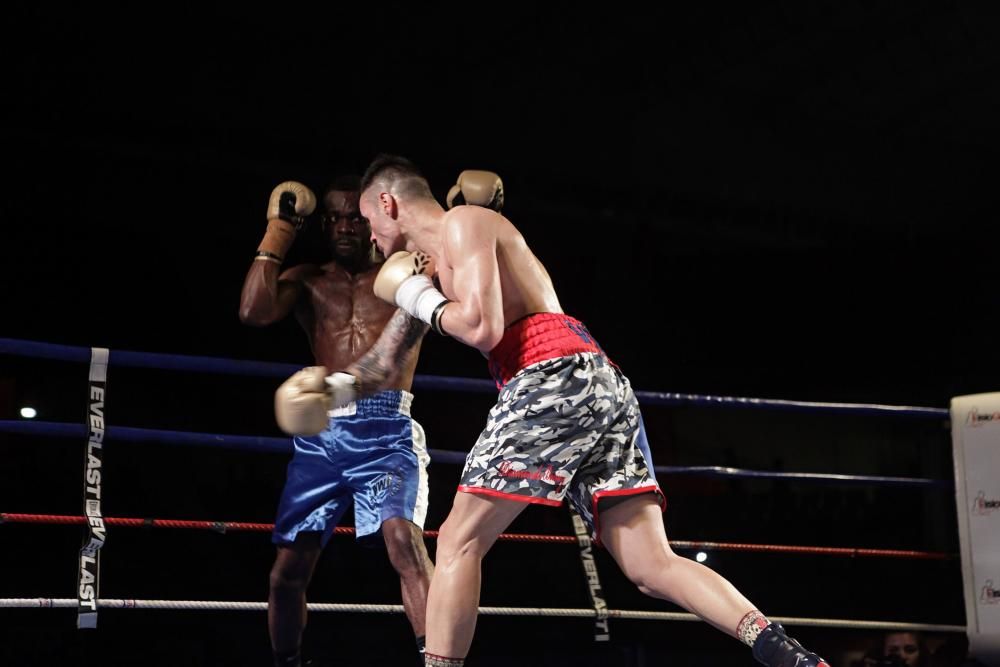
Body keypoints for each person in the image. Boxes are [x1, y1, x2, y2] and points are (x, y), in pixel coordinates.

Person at [337, 153, 829, 667]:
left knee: (459, 540)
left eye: (367, 219)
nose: (368, 237)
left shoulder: (466, 221)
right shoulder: (436, 267)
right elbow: (386, 360)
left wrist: (417, 295)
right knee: (650, 564)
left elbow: (482, 329)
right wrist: (333, 389)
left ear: (388, 203)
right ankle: (786, 654)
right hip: (595, 384)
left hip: (550, 375)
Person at [239, 175, 435, 667]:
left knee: (403, 542)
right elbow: (252, 311)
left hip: (387, 429)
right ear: (323, 223)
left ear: (373, 218)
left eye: (355, 216)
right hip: (322, 433)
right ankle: (288, 662)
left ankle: (439, 660)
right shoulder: (310, 280)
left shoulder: (403, 271)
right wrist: (279, 229)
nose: (346, 227)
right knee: (287, 571)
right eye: (335, 218)